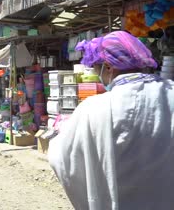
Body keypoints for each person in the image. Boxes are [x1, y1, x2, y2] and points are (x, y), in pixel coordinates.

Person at [48, 30, 173, 210]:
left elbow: (61, 159)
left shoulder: (93, 108)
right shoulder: (169, 93)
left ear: (108, 67)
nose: (97, 74)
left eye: (96, 68)